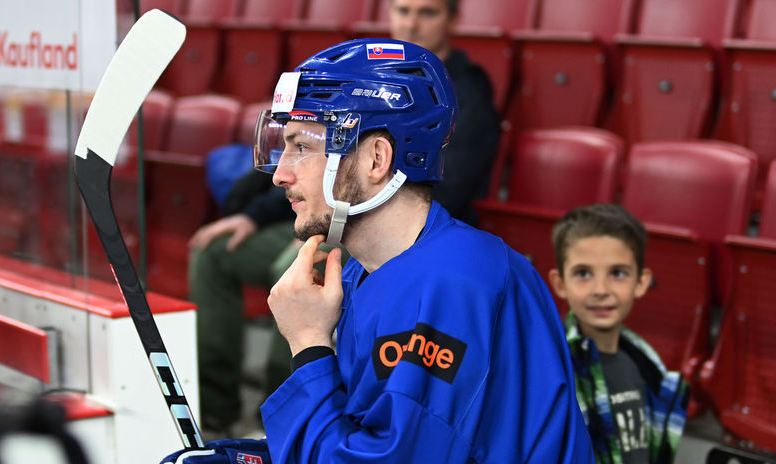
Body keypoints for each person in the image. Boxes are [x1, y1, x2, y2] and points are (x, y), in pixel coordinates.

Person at [164, 38, 593, 464]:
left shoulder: (455, 284)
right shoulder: (366, 269)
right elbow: (357, 430)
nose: (280, 175)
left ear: (376, 159)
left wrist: (309, 344)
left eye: (302, 148)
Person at [190, 0, 500, 437]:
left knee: (301, 273)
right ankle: (221, 410)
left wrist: (307, 346)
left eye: (426, 11)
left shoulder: (466, 94)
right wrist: (255, 218)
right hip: (353, 215)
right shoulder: (359, 85)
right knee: (217, 251)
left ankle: (279, 412)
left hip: (385, 221)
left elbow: (433, 186)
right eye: (402, 9)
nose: (411, 21)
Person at [547, 203, 690, 464]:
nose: (601, 289)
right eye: (583, 273)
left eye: (617, 273)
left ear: (641, 282)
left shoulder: (646, 362)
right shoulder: (555, 368)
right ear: (560, 283)